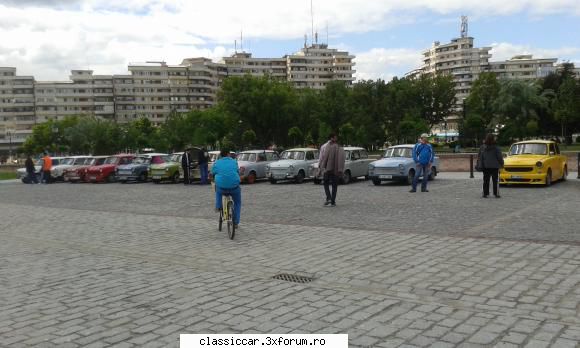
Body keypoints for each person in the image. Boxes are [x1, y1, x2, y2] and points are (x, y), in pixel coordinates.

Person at [212, 149, 241, 227]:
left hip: (222, 188)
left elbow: (212, 172)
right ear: (229, 154)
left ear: (221, 155)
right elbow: (237, 172)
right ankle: (236, 222)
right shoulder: (234, 161)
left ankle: (218, 206)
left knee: (218, 190)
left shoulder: (217, 163)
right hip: (234, 187)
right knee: (237, 203)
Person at [318, 133, 345, 207]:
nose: (336, 139)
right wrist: (341, 170)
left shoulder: (326, 146)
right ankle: (331, 200)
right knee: (332, 185)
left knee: (329, 184)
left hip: (329, 169)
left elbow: (323, 158)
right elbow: (323, 157)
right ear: (331, 138)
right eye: (335, 138)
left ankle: (330, 199)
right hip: (332, 170)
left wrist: (321, 167)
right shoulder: (337, 147)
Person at [478, 133, 504, 198]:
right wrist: (502, 163)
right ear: (493, 138)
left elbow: (480, 156)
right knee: (495, 180)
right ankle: (496, 193)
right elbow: (499, 157)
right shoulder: (496, 147)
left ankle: (485, 193)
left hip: (485, 166)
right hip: (495, 166)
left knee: (486, 180)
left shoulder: (482, 147)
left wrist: (481, 164)